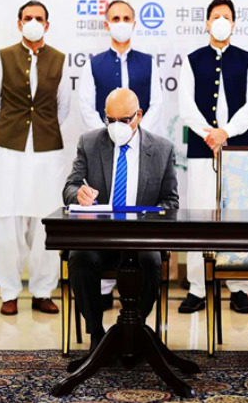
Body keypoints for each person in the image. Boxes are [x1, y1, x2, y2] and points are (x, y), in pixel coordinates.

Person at [62, 88, 179, 351]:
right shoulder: (90, 143)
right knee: (79, 258)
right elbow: (70, 187)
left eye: (124, 120)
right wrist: (78, 194)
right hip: (100, 239)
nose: (117, 127)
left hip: (140, 240)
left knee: (152, 263)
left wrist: (147, 219)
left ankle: (134, 328)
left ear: (139, 115)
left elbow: (170, 203)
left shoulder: (162, 149)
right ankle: (96, 334)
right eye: (110, 120)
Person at [78, 0, 164, 309]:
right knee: (105, 213)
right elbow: (87, 106)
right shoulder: (94, 64)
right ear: (106, 23)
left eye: (126, 17)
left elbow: (155, 104)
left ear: (134, 23)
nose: (121, 22)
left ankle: (135, 292)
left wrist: (134, 135)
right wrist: (110, 135)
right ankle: (102, 291)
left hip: (138, 147)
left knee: (136, 213)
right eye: (115, 18)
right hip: (106, 148)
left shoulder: (148, 63)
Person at [0, 0, 70, 316]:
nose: (33, 22)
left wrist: (41, 130)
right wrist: (14, 129)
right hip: (8, 151)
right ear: (20, 23)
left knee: (46, 220)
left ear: (47, 25)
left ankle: (42, 291)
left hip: (48, 152)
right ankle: (8, 292)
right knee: (5, 221)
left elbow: (63, 107)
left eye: (39, 18)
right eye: (28, 17)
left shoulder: (59, 60)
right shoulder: (3, 57)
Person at [178, 0, 248, 314]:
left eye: (226, 16)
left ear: (234, 23)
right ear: (207, 23)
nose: (221, 21)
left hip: (240, 151)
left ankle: (239, 288)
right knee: (199, 216)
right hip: (202, 150)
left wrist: (226, 132)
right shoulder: (192, 60)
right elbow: (186, 106)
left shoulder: (247, 59)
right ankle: (197, 288)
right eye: (216, 16)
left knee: (239, 218)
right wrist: (209, 134)